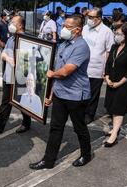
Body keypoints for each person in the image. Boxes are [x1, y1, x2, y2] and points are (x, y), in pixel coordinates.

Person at [29, 15, 92, 170]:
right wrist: (50, 95)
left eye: (67, 26)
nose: (63, 28)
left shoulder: (82, 46)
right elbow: (57, 68)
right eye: (63, 25)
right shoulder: (64, 44)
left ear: (78, 30)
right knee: (56, 127)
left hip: (76, 95)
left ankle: (86, 154)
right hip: (60, 93)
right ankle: (48, 160)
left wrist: (51, 74)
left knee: (79, 127)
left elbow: (65, 71)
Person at [0, 15, 32, 134]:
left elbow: (29, 60)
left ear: (20, 25)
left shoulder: (27, 40)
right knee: (5, 102)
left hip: (20, 77)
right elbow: (3, 54)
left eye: (13, 22)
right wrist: (8, 58)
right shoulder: (11, 38)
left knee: (21, 101)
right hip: (8, 76)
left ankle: (27, 123)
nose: (10, 24)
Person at [104, 24, 127, 147]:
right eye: (116, 33)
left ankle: (114, 135)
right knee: (111, 106)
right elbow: (108, 63)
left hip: (123, 83)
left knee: (118, 108)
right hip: (111, 80)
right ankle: (115, 128)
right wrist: (107, 77)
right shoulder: (114, 46)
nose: (116, 36)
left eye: (119, 34)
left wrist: (120, 82)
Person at [82, 7, 115, 124]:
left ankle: (89, 114)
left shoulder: (107, 32)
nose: (88, 19)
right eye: (88, 17)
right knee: (82, 91)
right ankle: (81, 111)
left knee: (93, 94)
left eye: (91, 17)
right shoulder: (85, 28)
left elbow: (109, 52)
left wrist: (106, 70)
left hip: (96, 69)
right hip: (82, 67)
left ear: (99, 18)